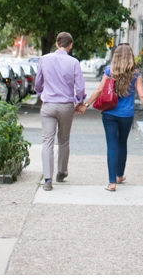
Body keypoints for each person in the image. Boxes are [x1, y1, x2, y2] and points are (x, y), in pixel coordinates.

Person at [82, 43, 143, 191]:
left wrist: (86, 105)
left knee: (112, 145)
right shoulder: (136, 74)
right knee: (122, 143)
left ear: (116, 56)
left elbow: (99, 89)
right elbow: (142, 95)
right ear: (130, 57)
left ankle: (112, 182)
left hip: (109, 113)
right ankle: (119, 175)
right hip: (126, 115)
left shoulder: (110, 71)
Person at [34, 32, 86, 191]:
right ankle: (61, 172)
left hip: (49, 104)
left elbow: (38, 83)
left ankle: (48, 179)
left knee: (47, 141)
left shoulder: (44, 59)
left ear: (57, 44)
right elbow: (81, 87)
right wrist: (79, 101)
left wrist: (41, 93)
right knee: (64, 139)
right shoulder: (74, 62)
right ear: (70, 45)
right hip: (65, 105)